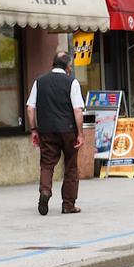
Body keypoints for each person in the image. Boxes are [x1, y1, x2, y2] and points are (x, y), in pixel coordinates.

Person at [25, 52, 86, 214]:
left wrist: (34, 130)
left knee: (47, 164)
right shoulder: (72, 82)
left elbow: (30, 108)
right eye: (70, 67)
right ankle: (68, 204)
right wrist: (80, 133)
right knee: (71, 166)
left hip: (46, 130)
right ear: (67, 67)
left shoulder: (39, 81)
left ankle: (45, 191)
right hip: (68, 130)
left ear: (53, 65)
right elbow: (78, 110)